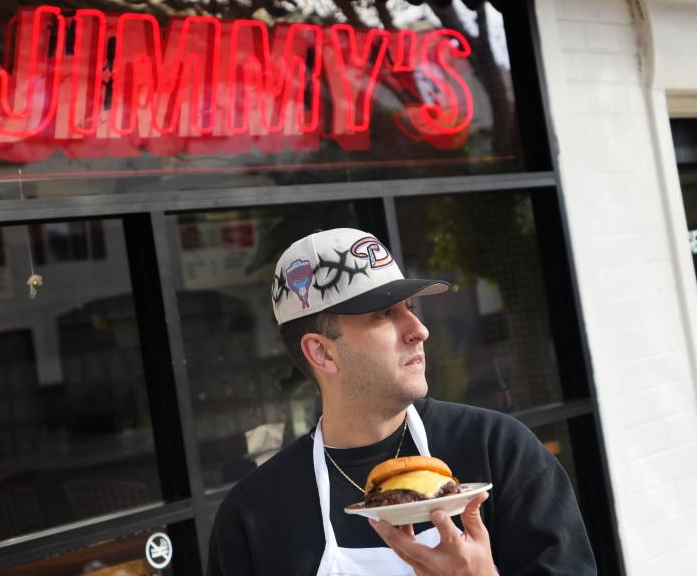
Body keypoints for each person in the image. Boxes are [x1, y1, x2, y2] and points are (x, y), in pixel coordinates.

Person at [206, 228, 596, 576]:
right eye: (385, 315)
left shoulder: (497, 449)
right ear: (322, 353)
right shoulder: (254, 516)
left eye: (410, 308)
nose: (419, 330)